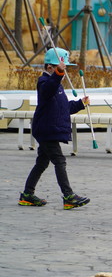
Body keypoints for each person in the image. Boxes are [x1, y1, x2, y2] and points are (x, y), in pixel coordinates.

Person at [18, 48, 90, 210]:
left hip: (49, 129)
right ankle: (68, 196)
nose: (63, 72)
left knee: (42, 162)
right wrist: (59, 73)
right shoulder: (44, 82)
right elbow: (48, 89)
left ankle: (27, 195)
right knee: (59, 160)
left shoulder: (57, 86)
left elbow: (63, 107)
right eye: (59, 68)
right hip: (46, 129)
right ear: (50, 68)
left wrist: (80, 104)